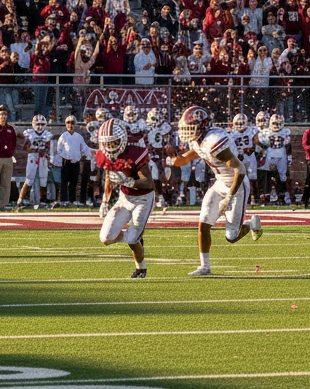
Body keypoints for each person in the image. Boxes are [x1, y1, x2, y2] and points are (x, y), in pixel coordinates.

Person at [167, 105, 263, 276]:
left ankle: (252, 223)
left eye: (190, 128)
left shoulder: (214, 143)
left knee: (231, 237)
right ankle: (205, 267)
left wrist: (230, 197)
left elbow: (240, 169)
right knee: (203, 223)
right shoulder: (198, 140)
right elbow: (187, 158)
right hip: (220, 183)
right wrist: (172, 158)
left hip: (237, 185)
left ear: (201, 127)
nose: (187, 132)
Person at [97, 118, 156, 278]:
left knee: (132, 238)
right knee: (106, 237)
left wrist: (129, 181)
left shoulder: (134, 152)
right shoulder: (104, 155)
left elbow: (149, 183)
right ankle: (134, 237)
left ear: (122, 139)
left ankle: (141, 268)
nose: (109, 147)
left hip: (143, 199)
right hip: (124, 198)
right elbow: (110, 176)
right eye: (106, 143)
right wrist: (105, 200)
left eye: (113, 143)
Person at [16, 113, 52, 211]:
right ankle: (21, 199)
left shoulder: (47, 134)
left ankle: (43, 200)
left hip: (43, 157)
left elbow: (47, 148)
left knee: (43, 179)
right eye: (37, 124)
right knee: (29, 179)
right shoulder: (29, 133)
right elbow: (25, 148)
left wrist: (40, 150)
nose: (40, 126)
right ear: (33, 124)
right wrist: (35, 149)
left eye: (41, 124)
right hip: (32, 157)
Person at [54, 114, 90, 207]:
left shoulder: (79, 137)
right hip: (66, 162)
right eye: (68, 123)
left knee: (74, 182)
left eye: (72, 123)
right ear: (66, 125)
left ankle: (72, 200)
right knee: (64, 182)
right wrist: (65, 157)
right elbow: (59, 149)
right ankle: (63, 200)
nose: (70, 125)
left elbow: (83, 148)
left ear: (75, 124)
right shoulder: (63, 136)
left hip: (76, 163)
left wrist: (84, 156)